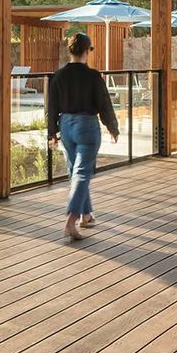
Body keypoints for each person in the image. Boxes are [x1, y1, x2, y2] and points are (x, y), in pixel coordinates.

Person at [46, 32, 120, 240]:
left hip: (66, 125)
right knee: (81, 172)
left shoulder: (58, 75)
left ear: (70, 50)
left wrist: (52, 132)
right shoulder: (93, 76)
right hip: (86, 126)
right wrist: (112, 127)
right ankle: (71, 219)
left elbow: (51, 106)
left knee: (75, 171)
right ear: (87, 51)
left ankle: (86, 215)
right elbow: (104, 103)